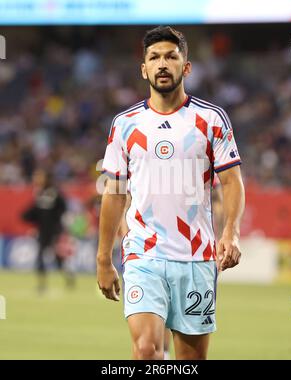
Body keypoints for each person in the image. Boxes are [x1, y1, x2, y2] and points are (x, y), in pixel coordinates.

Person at [97, 26, 245, 360]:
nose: (162, 63)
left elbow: (232, 181)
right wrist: (103, 258)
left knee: (190, 361)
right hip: (143, 254)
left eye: (171, 56)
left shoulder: (211, 119)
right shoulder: (125, 124)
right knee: (147, 349)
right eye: (154, 57)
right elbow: (114, 192)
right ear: (144, 69)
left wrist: (231, 232)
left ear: (186, 66)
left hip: (197, 257)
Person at [22, 169, 70, 292]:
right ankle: (42, 284)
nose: (38, 179)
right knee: (40, 257)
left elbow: (63, 209)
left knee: (57, 258)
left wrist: (58, 227)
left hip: (54, 231)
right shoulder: (39, 193)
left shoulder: (55, 193)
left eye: (40, 177)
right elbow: (35, 211)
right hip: (43, 232)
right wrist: (27, 216)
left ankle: (68, 278)